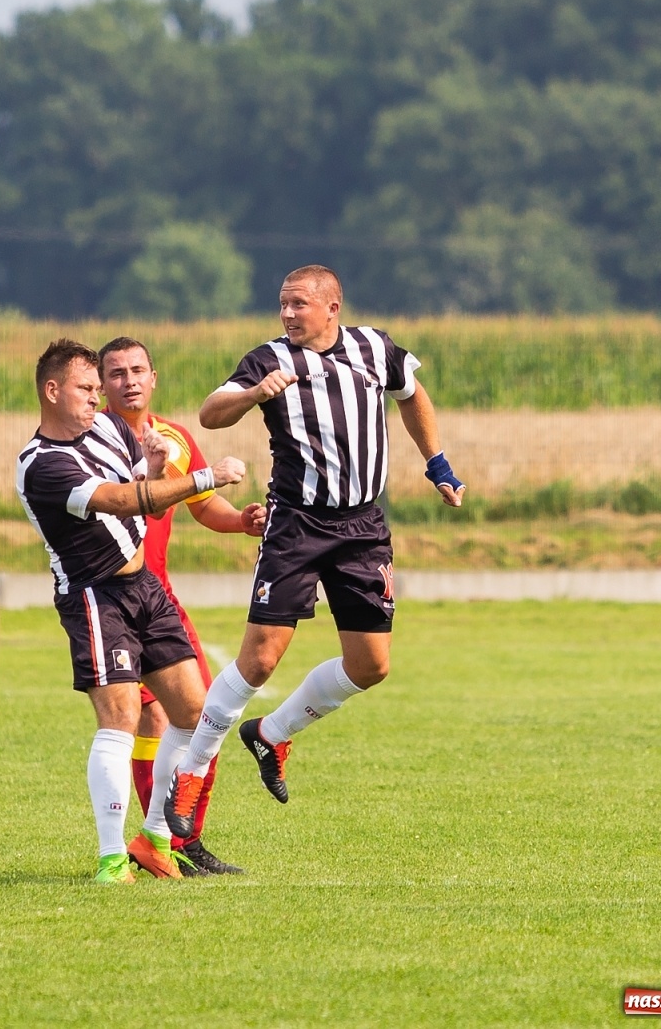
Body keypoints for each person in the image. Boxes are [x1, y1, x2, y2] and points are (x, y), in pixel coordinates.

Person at [165, 266, 467, 837]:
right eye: (282, 304)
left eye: (298, 304)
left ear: (332, 306)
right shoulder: (267, 359)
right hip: (296, 525)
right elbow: (210, 413)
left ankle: (270, 735)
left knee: (371, 665)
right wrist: (255, 394)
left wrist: (438, 464)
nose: (287, 314)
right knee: (259, 659)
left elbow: (412, 395)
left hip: (363, 528)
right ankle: (193, 770)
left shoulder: (373, 347)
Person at [14, 339, 246, 884]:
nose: (99, 398)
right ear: (52, 391)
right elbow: (120, 501)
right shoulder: (41, 463)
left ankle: (155, 835)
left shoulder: (110, 429)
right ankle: (111, 858)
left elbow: (139, 485)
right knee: (119, 721)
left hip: (145, 587)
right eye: (88, 388)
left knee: (195, 714)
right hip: (95, 596)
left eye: (100, 388)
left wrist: (155, 465)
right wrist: (206, 477)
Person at [96, 336, 267, 877]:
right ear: (101, 384)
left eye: (137, 370)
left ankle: (175, 838)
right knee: (149, 716)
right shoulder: (93, 440)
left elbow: (202, 503)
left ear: (154, 378)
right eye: (117, 372)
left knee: (201, 716)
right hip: (113, 597)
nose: (129, 380)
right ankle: (160, 843)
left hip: (161, 596)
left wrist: (239, 519)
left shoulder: (174, 435)